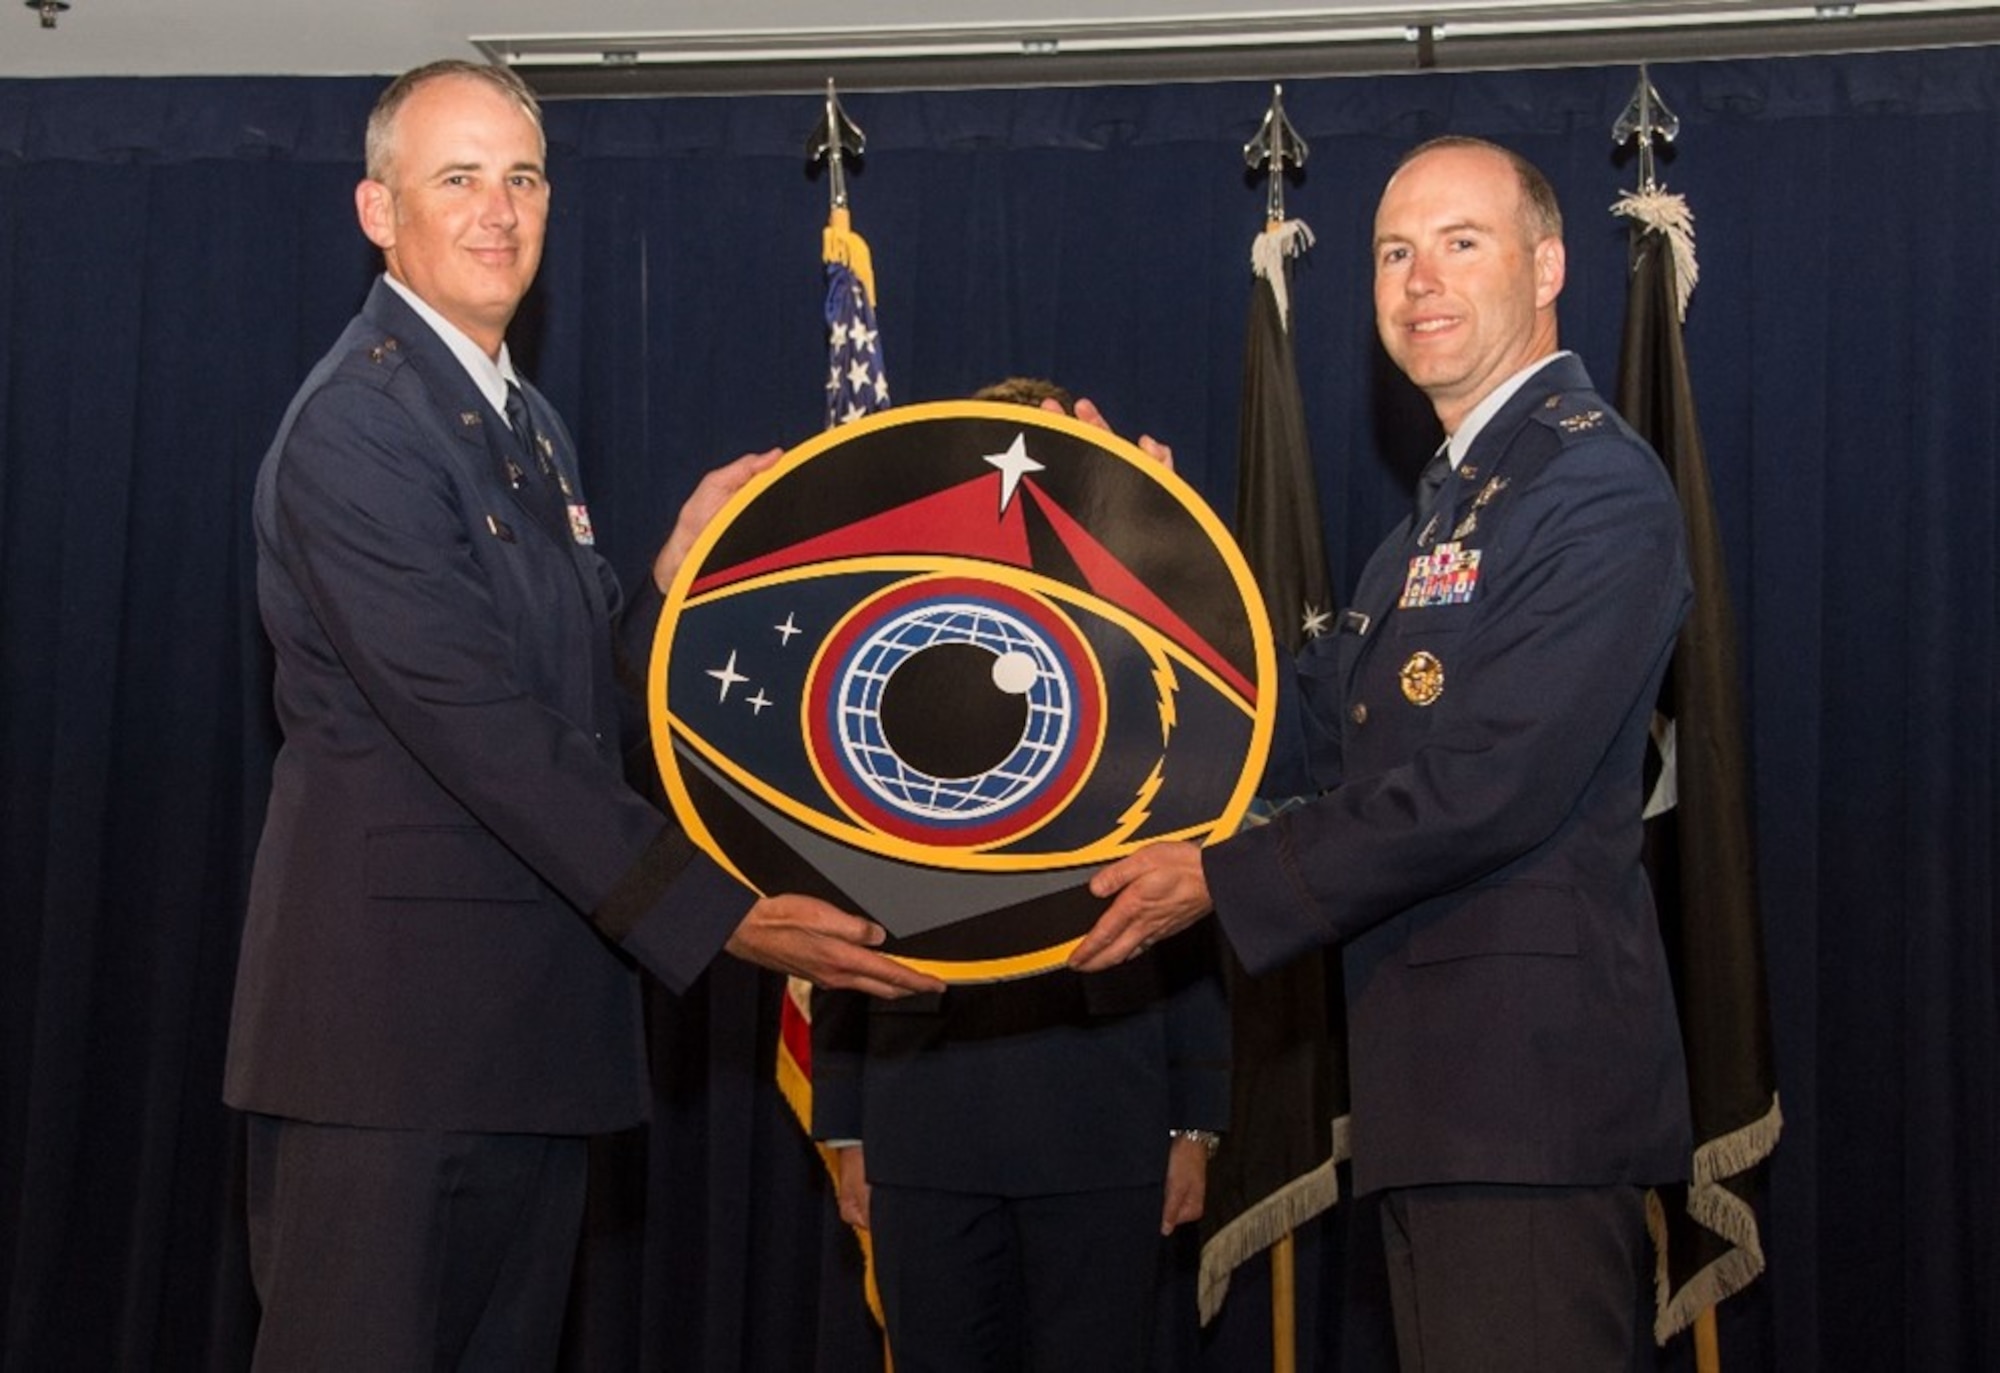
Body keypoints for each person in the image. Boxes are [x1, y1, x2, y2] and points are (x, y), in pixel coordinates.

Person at [223, 59, 941, 1372]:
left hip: (525, 1041)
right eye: (458, 179)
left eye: (523, 177)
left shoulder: (524, 425)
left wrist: (666, 585)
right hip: (389, 1055)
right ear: (378, 211)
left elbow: (570, 693)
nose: (498, 210)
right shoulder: (358, 428)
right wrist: (722, 912)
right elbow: (480, 730)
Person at [1071, 137, 1694, 1371]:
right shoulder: (1439, 513)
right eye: (1393, 253)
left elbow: (1485, 785)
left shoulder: (1594, 490)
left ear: (1549, 264)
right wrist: (1144, 566)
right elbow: (1303, 725)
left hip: (1527, 1109)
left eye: (1461, 243)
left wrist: (1219, 878)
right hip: (1436, 1107)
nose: (1421, 281)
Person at [810, 377, 1229, 1373]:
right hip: (923, 1117)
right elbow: (842, 897)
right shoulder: (893, 673)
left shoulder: (1148, 677)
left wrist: (1193, 1119)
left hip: (1102, 1112)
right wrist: (845, 1123)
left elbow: (1194, 905)